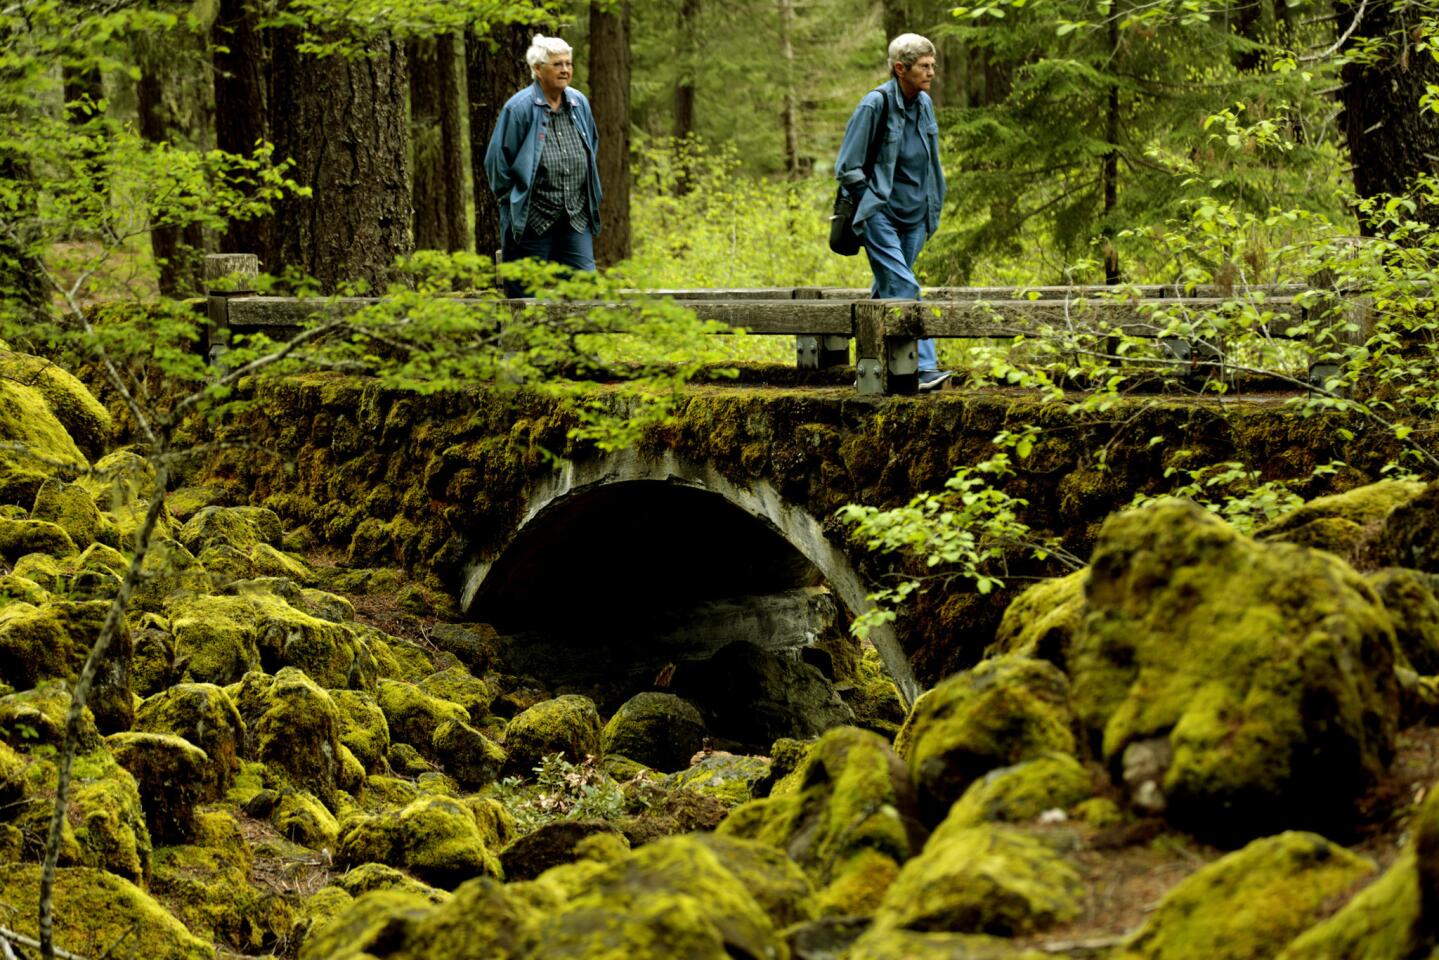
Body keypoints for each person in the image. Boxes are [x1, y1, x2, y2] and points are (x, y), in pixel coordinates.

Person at [835, 33, 950, 391]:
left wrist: (932, 208)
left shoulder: (925, 104)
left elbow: (931, 161)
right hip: (880, 213)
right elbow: (847, 166)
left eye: (933, 65)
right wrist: (870, 202)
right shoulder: (875, 104)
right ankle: (923, 369)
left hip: (916, 214)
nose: (931, 72)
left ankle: (872, 366)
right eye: (924, 66)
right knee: (905, 285)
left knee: (888, 288)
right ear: (901, 68)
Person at [484, 35, 603, 299]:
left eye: (569, 64)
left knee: (585, 293)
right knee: (524, 297)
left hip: (575, 218)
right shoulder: (519, 109)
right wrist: (514, 200)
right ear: (538, 70)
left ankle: (573, 342)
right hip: (532, 220)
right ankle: (526, 342)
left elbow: (591, 145)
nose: (565, 70)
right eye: (557, 64)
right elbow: (496, 165)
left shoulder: (578, 103)